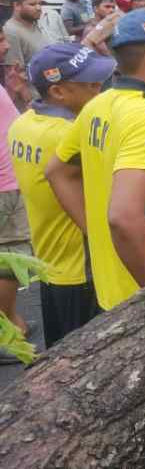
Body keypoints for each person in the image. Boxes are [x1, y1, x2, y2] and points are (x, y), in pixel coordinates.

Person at [45, 9, 145, 312]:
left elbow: (57, 171)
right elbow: (122, 215)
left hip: (112, 286)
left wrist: (93, 232)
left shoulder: (100, 104)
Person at [9, 44, 114, 349]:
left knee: (61, 355)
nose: (101, 89)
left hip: (51, 263)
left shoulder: (22, 123)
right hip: (83, 268)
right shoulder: (70, 135)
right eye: (92, 84)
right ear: (57, 92)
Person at [0, 29, 34, 364]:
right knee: (9, 262)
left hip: (11, 183)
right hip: (4, 188)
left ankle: (13, 321)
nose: (6, 45)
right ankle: (7, 334)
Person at [3, 0, 52, 108]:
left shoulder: (34, 24)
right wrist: (31, 104)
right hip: (32, 103)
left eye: (39, 3)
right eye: (32, 4)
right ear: (17, 5)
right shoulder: (11, 31)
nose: (39, 8)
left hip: (47, 96)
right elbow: (14, 74)